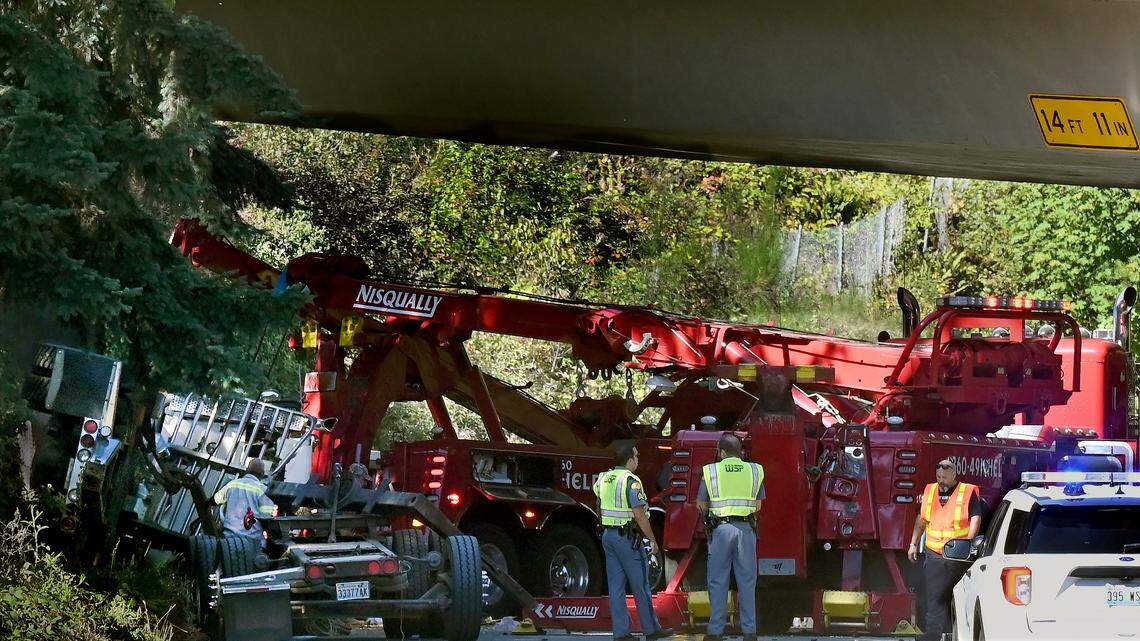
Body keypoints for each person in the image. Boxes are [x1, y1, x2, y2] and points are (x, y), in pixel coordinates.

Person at [593, 443, 674, 641]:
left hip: (608, 536)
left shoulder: (604, 478)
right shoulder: (631, 481)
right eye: (636, 456)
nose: (638, 459)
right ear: (629, 459)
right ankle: (651, 630)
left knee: (616, 587)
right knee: (640, 584)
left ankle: (621, 633)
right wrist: (652, 540)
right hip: (626, 539)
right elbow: (639, 514)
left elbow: (599, 505)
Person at [697, 434, 764, 641]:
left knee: (718, 581)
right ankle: (749, 632)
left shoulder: (711, 471)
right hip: (746, 531)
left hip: (721, 531)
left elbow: (701, 504)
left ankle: (715, 632)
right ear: (740, 451)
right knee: (747, 581)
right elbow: (759, 505)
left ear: (722, 452)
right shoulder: (755, 470)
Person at [907, 459, 982, 641]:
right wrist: (913, 543)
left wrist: (969, 544)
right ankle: (933, 634)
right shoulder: (930, 491)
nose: (941, 481)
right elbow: (921, 519)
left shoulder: (967, 491)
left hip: (958, 553)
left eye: (945, 477)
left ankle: (959, 632)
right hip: (935, 552)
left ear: (954, 475)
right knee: (935, 594)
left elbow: (975, 518)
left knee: (959, 594)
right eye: (939, 477)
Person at [214, 458, 277, 547]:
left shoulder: (232, 484)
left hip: (228, 539)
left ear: (247, 470)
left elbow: (216, 499)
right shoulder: (263, 490)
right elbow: (266, 519)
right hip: (252, 543)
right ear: (262, 474)